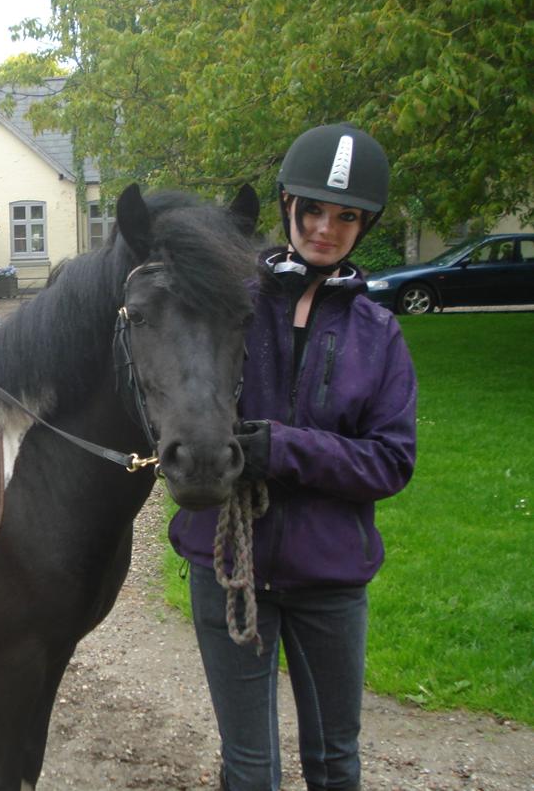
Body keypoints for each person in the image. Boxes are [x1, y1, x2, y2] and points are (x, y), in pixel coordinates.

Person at [168, 123, 419, 790]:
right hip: (227, 567)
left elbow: (390, 461)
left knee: (334, 765)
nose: (325, 228)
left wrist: (282, 449)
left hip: (328, 578)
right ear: (287, 206)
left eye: (345, 216)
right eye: (312, 209)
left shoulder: (379, 335)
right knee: (249, 771)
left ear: (364, 226)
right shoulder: (232, 301)